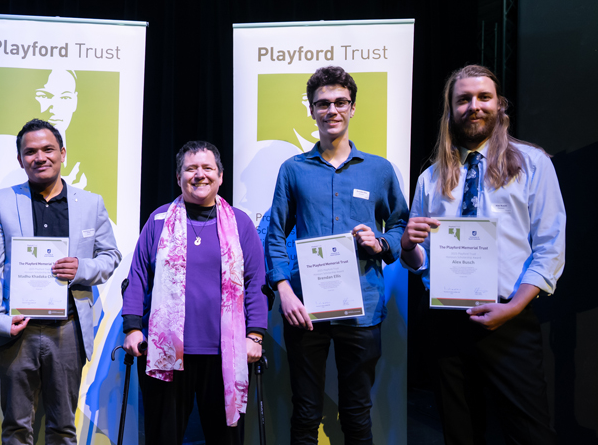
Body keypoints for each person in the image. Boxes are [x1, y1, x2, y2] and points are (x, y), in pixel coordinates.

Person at [400, 64, 564, 444]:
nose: (474, 106)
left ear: (499, 104)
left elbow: (551, 246)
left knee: (530, 434)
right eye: (464, 99)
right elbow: (420, 263)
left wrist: (514, 307)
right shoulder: (431, 177)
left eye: (483, 97)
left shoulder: (532, 163)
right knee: (459, 434)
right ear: (451, 109)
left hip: (509, 317)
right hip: (445, 323)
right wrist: (409, 246)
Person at [265, 66, 408, 444]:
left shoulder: (379, 169)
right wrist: (283, 289)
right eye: (323, 103)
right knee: (306, 413)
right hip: (305, 308)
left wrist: (382, 243)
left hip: (363, 305)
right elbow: (275, 233)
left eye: (340, 102)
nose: (332, 110)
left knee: (358, 413)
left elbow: (400, 225)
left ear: (353, 108)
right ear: (311, 110)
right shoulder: (292, 170)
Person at [0, 118, 121, 444]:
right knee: (15, 427)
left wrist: (81, 268)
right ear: (20, 160)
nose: (39, 157)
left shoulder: (90, 203)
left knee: (63, 427)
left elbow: (111, 256)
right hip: (18, 329)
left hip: (67, 329)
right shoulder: (2, 201)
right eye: (30, 151)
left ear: (62, 153)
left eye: (47, 149)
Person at [122, 141, 268, 444]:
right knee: (163, 438)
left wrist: (255, 335)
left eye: (207, 168)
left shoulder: (240, 223)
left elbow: (256, 282)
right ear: (179, 178)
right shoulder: (158, 221)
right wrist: (133, 328)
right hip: (166, 354)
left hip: (224, 354)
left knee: (225, 440)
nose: (199, 175)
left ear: (220, 176)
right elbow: (137, 277)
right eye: (191, 169)